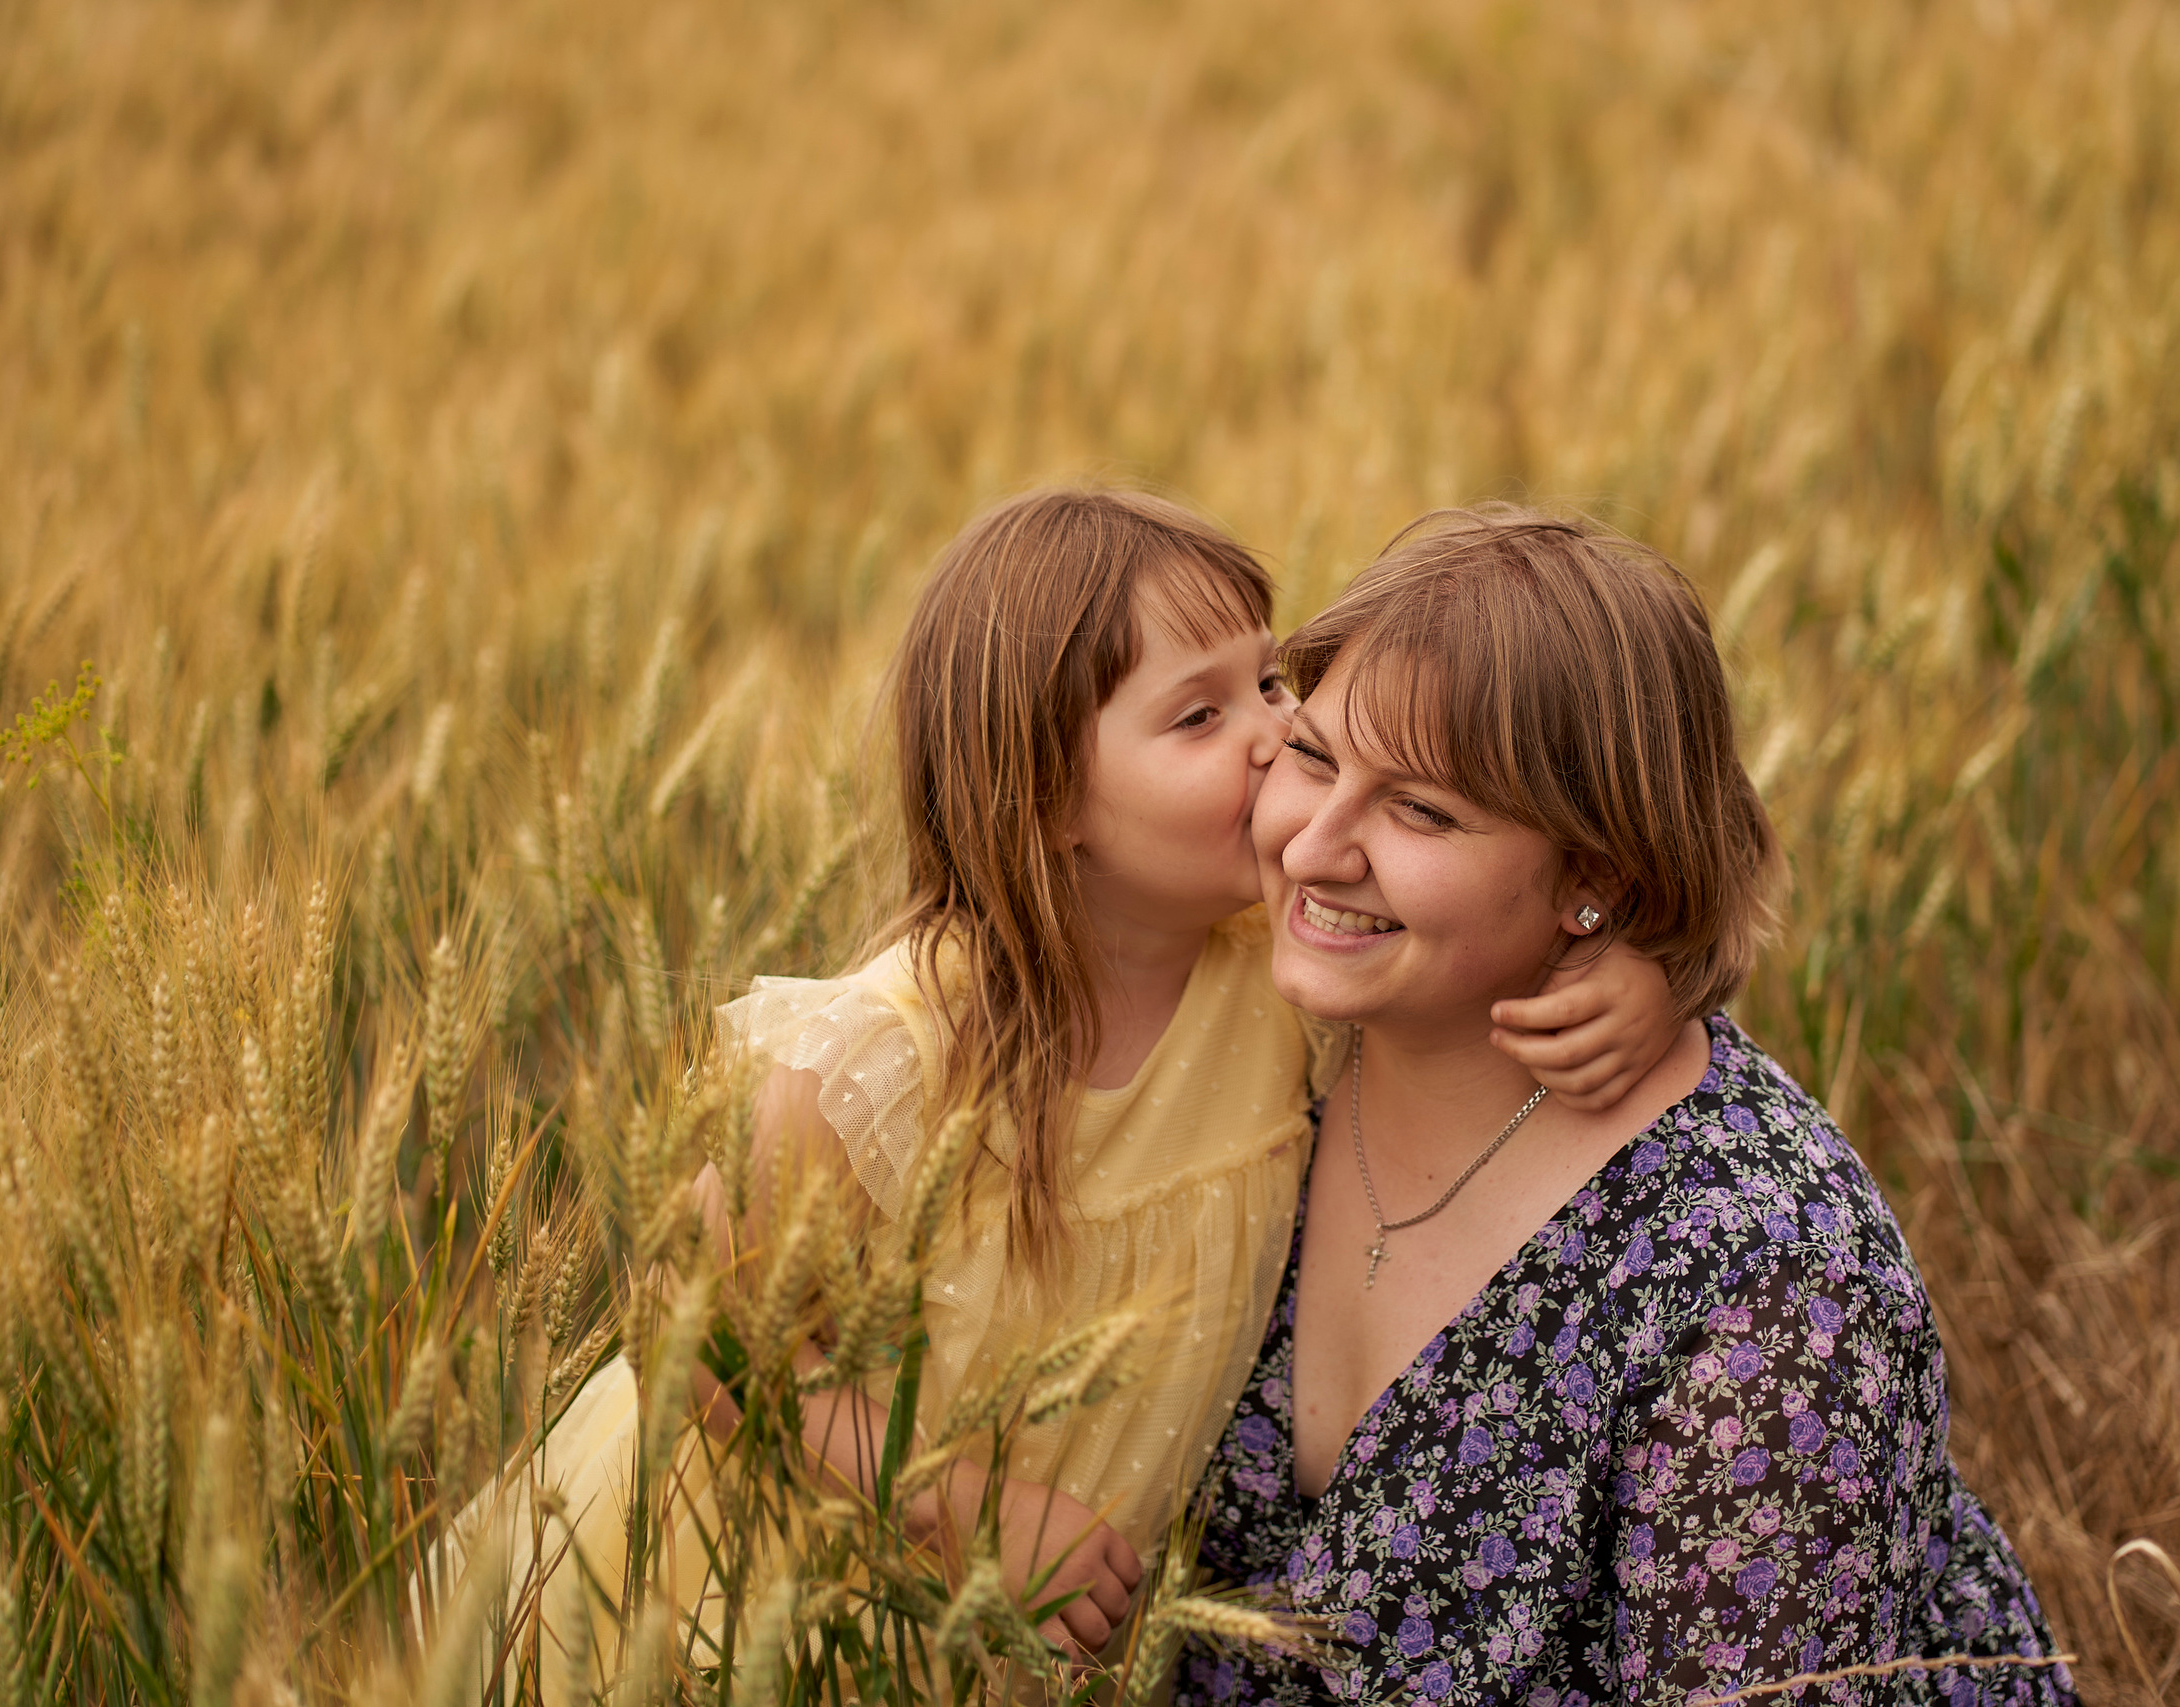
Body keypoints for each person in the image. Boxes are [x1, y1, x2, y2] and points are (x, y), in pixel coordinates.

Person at [508, 489, 1682, 1695]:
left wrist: (1632, 967)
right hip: (759, 1622)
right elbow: (685, 1326)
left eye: (1273, 683)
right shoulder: (892, 1057)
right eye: (1198, 716)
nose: (1278, 737)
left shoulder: (1280, 983)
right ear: (1047, 800)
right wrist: (954, 1501)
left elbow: (1481, 934)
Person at [1186, 507, 2072, 1706]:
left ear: (1595, 879)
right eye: (1313, 757)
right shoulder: (1244, 1040)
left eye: (1422, 812)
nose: (1313, 848)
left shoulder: (1764, 1292)